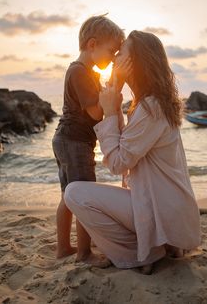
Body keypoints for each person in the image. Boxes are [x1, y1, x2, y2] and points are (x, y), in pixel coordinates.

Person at [64, 30, 201, 272]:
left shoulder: (150, 108)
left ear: (135, 62)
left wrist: (108, 112)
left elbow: (118, 164)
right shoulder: (150, 102)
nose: (115, 59)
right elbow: (126, 149)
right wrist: (114, 100)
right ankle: (162, 243)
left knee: (74, 193)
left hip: (162, 209)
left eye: (120, 54)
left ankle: (141, 256)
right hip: (168, 207)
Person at [52, 14, 125, 261]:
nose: (114, 57)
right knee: (84, 194)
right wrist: (114, 91)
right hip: (75, 141)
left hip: (66, 139)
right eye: (112, 50)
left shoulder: (86, 72)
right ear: (92, 44)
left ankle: (63, 248)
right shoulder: (80, 72)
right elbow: (95, 112)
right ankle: (83, 252)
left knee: (68, 194)